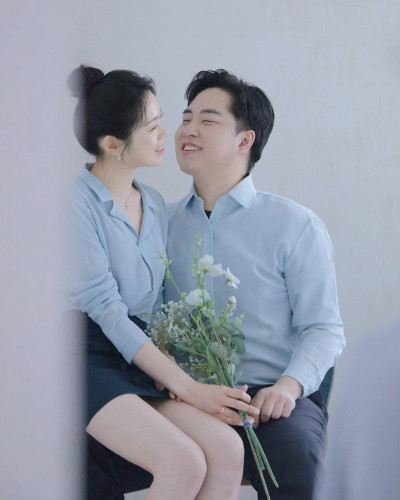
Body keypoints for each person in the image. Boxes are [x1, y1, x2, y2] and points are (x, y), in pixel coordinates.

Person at [63, 66, 260, 500]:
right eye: (152, 127)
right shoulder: (73, 205)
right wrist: (191, 389)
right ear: (113, 145)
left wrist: (174, 368)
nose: (166, 134)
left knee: (228, 449)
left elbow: (150, 306)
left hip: (136, 353)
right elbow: (109, 313)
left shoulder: (152, 203)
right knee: (182, 462)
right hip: (82, 356)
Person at [164, 69, 346, 500]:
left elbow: (324, 329)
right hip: (186, 397)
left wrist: (288, 387)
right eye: (186, 118)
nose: (188, 129)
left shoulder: (295, 225)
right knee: (90, 452)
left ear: (245, 140)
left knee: (299, 462)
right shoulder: (158, 223)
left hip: (271, 399)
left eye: (207, 120)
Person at [315, 321, 400, 499]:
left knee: (298, 449)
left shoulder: (376, 352)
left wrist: (289, 386)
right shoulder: (377, 353)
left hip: (289, 391)